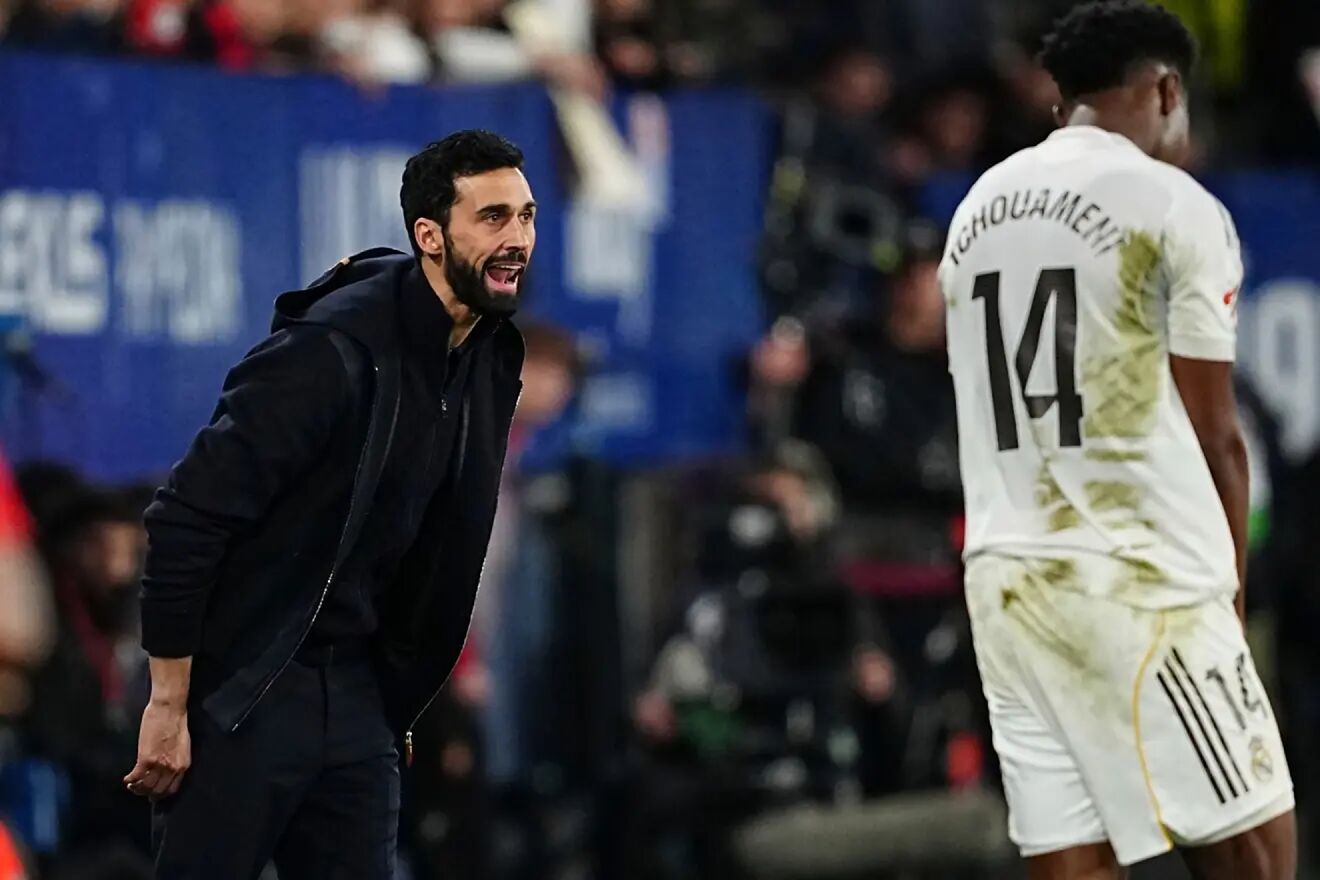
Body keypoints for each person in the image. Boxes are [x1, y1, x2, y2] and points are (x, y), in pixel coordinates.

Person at [937, 3, 1295, 879]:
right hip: (1139, 575)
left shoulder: (977, 208)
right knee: (1259, 850)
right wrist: (1228, 601)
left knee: (1074, 860)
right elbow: (1218, 435)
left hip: (1008, 576)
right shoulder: (1173, 204)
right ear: (1167, 91)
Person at [126, 129, 534, 880]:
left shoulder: (490, 353)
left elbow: (440, 541)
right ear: (431, 236)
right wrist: (169, 702)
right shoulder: (330, 350)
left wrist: (395, 699)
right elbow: (187, 515)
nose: (518, 239)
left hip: (358, 699)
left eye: (527, 216)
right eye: (493, 217)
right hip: (246, 689)